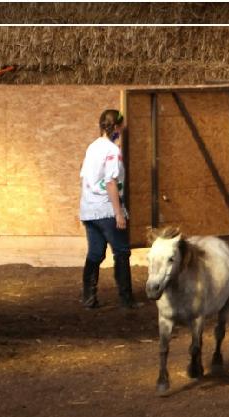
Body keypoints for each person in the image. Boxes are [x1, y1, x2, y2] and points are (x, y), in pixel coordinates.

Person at [79, 109, 138, 309]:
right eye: (121, 126)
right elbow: (111, 181)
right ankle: (126, 299)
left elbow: (85, 177)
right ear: (117, 127)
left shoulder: (92, 147)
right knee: (121, 252)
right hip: (106, 209)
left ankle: (88, 297)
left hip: (89, 209)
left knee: (95, 253)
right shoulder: (112, 151)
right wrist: (118, 212)